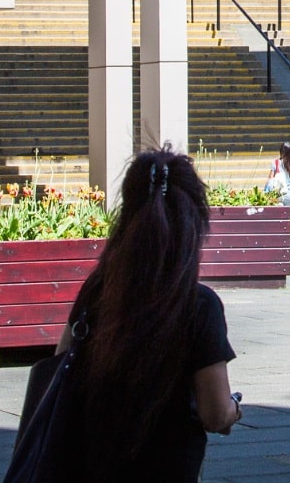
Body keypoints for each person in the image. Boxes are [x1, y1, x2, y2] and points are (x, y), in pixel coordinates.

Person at [16, 148, 240, 482]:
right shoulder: (199, 305)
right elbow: (215, 413)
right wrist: (235, 408)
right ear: (193, 219)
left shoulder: (98, 290)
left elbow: (61, 362)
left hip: (88, 465)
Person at [265, 143, 290, 207]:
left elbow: (270, 178)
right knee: (286, 212)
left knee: (277, 211)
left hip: (277, 193)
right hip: (288, 194)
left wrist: (265, 190)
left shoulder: (275, 162)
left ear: (281, 151)